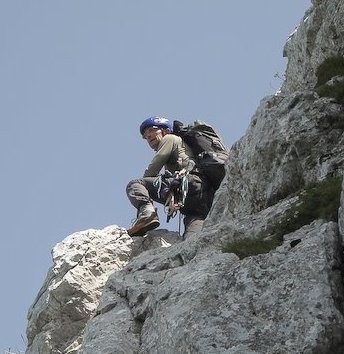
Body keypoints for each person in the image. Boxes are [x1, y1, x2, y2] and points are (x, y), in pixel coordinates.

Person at [126, 116, 211, 239]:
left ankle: (147, 214)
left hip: (189, 183)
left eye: (151, 130)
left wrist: (146, 188)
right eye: (145, 135)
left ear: (165, 130)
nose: (148, 136)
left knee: (135, 184)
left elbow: (155, 166)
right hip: (203, 195)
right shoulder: (180, 148)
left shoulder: (169, 138)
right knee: (193, 233)